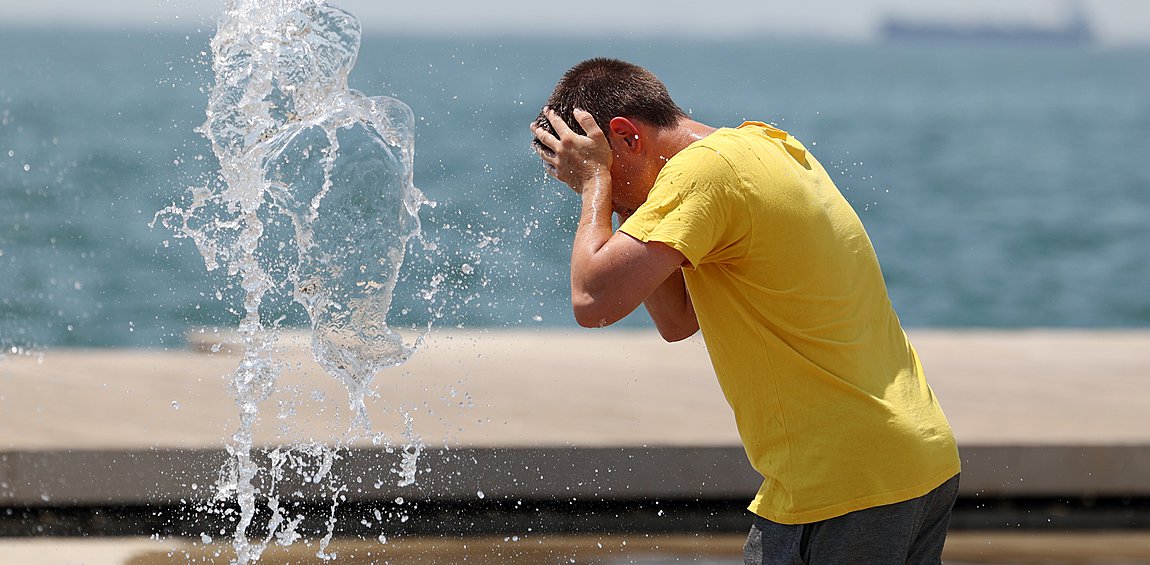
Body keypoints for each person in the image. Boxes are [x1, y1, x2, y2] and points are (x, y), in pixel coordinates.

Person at [530, 58, 961, 564]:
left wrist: (594, 187)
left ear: (627, 136)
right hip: (910, 461)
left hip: (845, 485)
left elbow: (592, 300)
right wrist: (623, 193)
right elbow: (678, 321)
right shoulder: (760, 146)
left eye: (602, 164)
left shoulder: (704, 174)